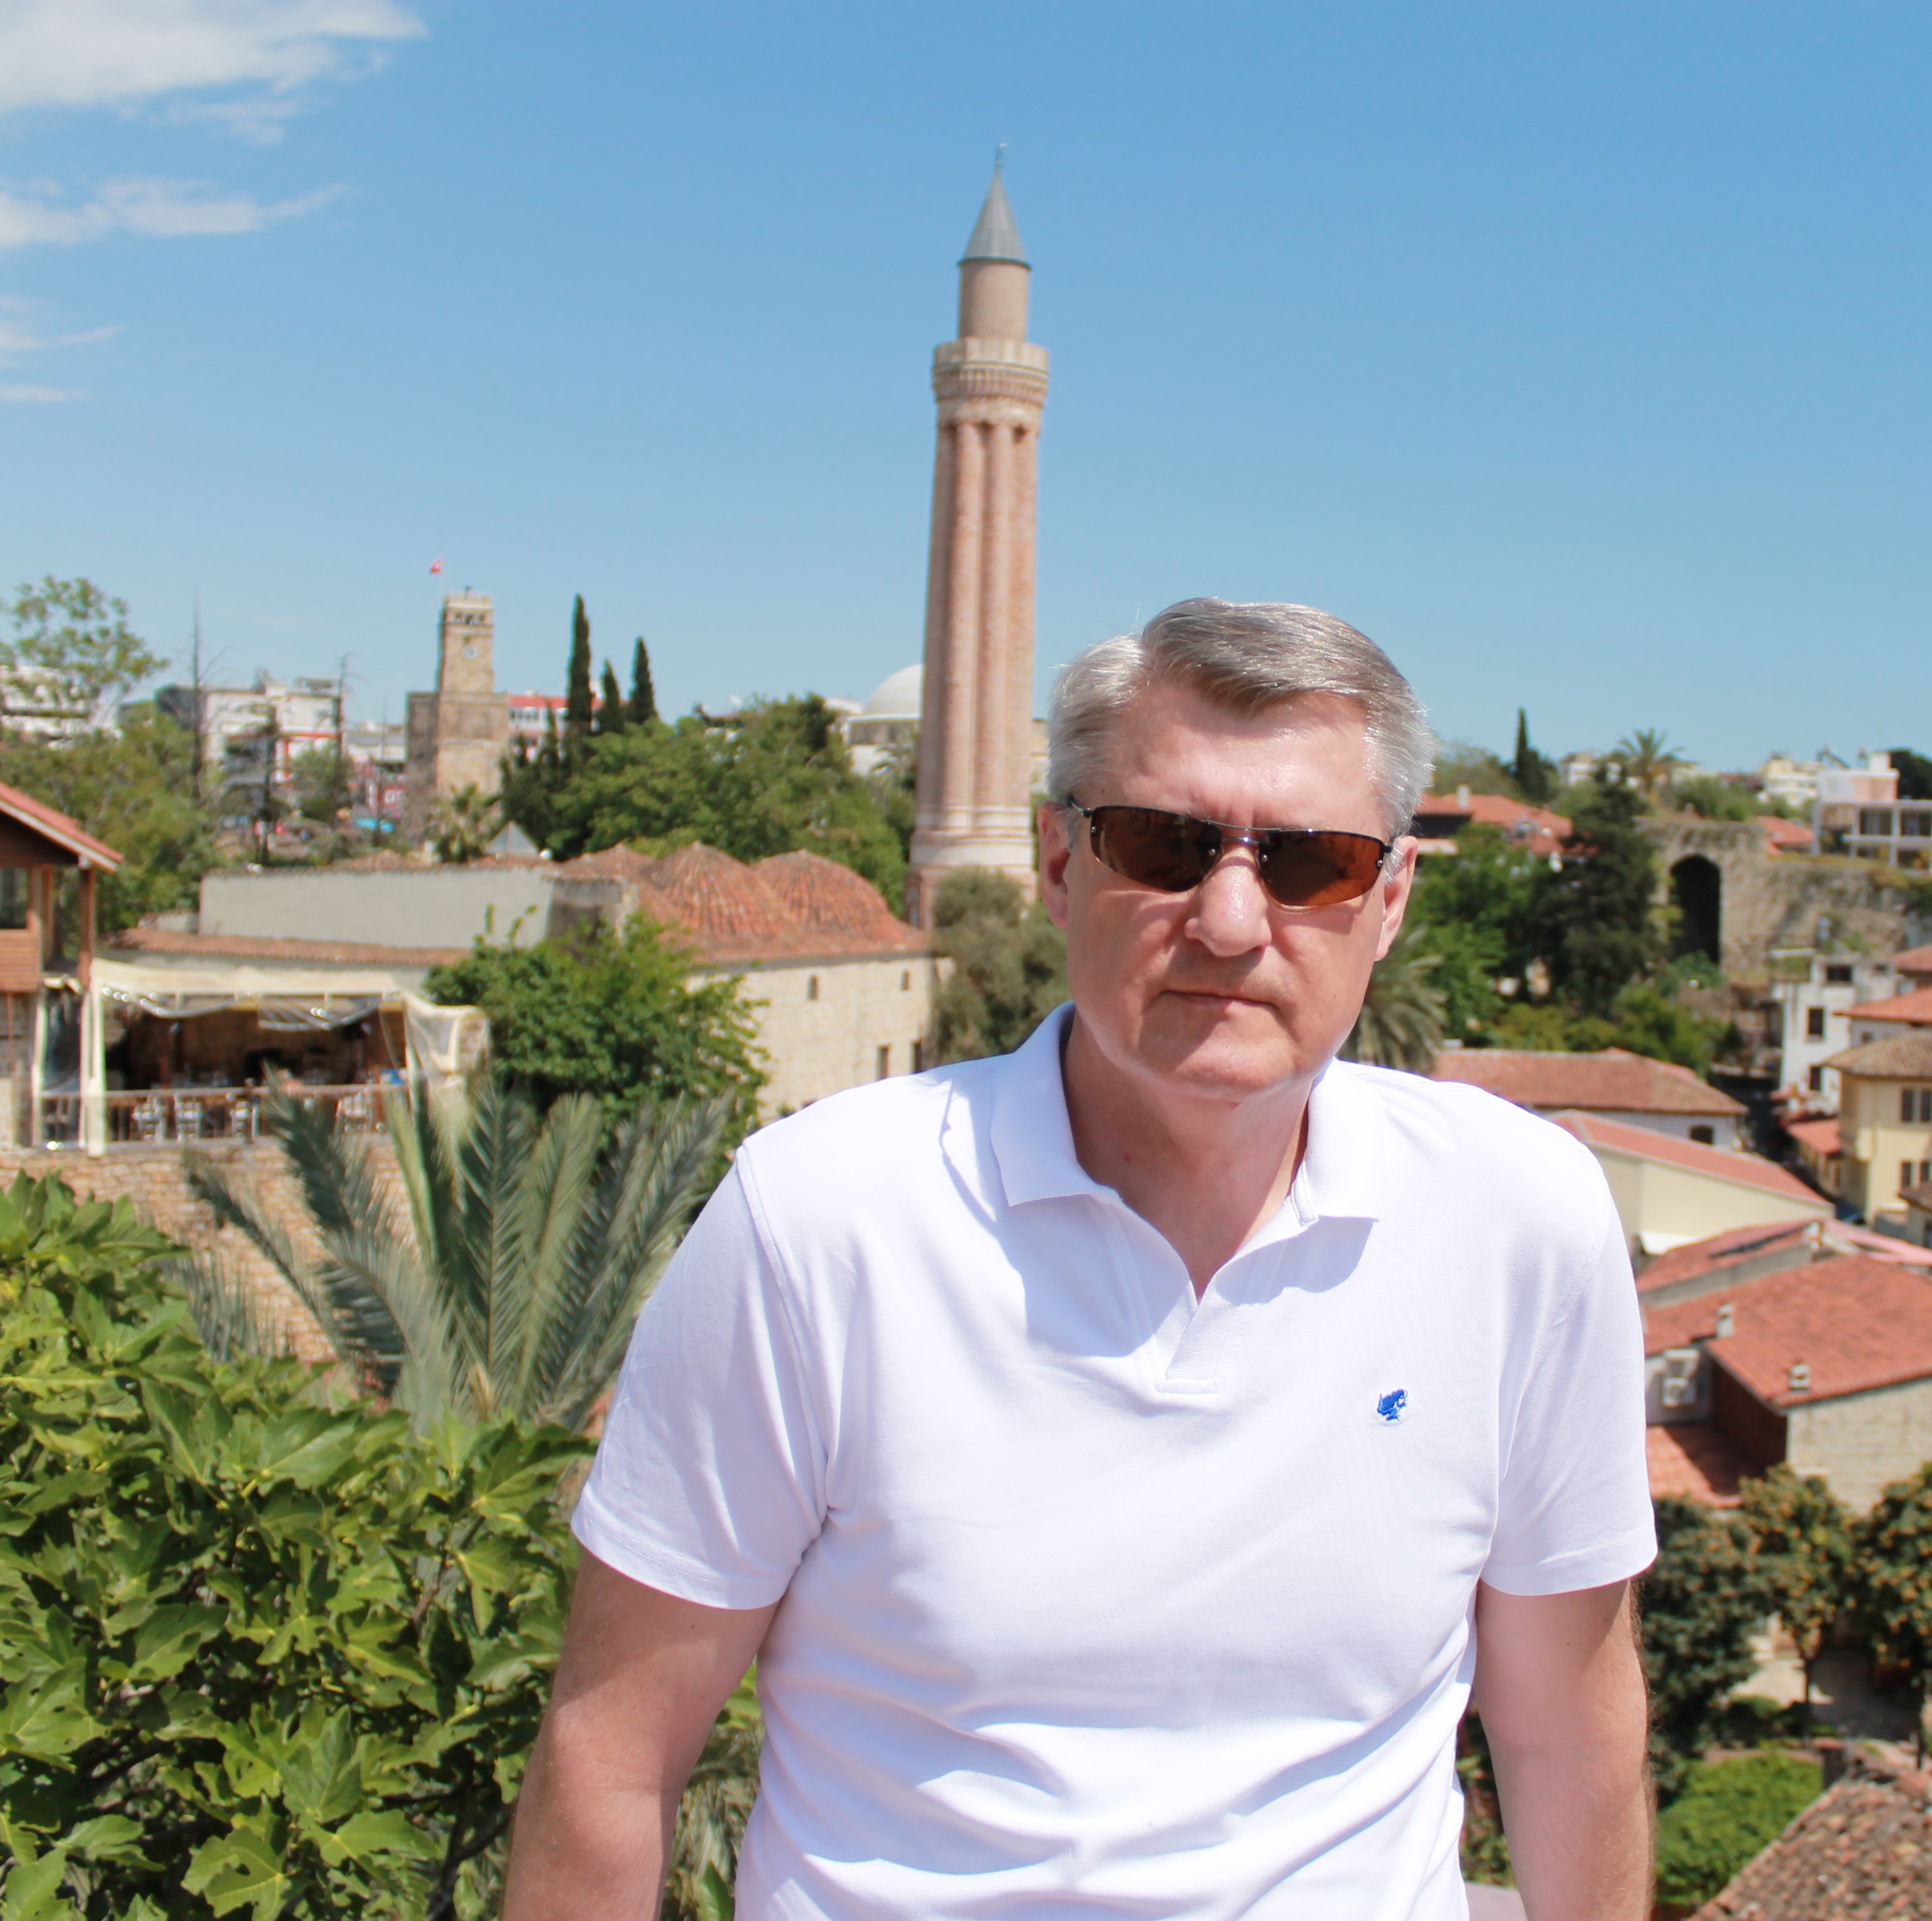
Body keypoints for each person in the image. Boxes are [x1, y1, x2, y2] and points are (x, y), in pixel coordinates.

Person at [507, 600, 1656, 1919]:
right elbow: (613, 1752)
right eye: (1165, 845)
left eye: (1311, 864)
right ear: (1058, 864)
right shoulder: (821, 1221)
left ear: (1388, 901)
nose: (1231, 919)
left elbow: (1571, 1741)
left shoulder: (1518, 1222)